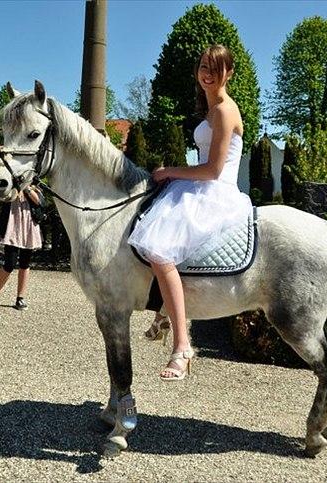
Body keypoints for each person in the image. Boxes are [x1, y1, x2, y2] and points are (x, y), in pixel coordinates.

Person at [128, 44, 252, 381]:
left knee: (157, 248)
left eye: (215, 67)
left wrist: (171, 171)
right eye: (202, 66)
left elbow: (213, 170)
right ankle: (165, 311)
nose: (207, 73)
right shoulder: (211, 109)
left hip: (216, 191)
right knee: (146, 228)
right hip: (198, 187)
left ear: (229, 72)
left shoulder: (225, 111)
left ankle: (182, 346)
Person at [0, 184, 43, 312]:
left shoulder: (33, 184)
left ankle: (20, 298)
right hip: (12, 227)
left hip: (28, 227)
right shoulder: (9, 184)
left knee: (25, 264)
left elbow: (39, 202)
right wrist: (15, 187)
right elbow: (2, 198)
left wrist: (26, 188)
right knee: (9, 264)